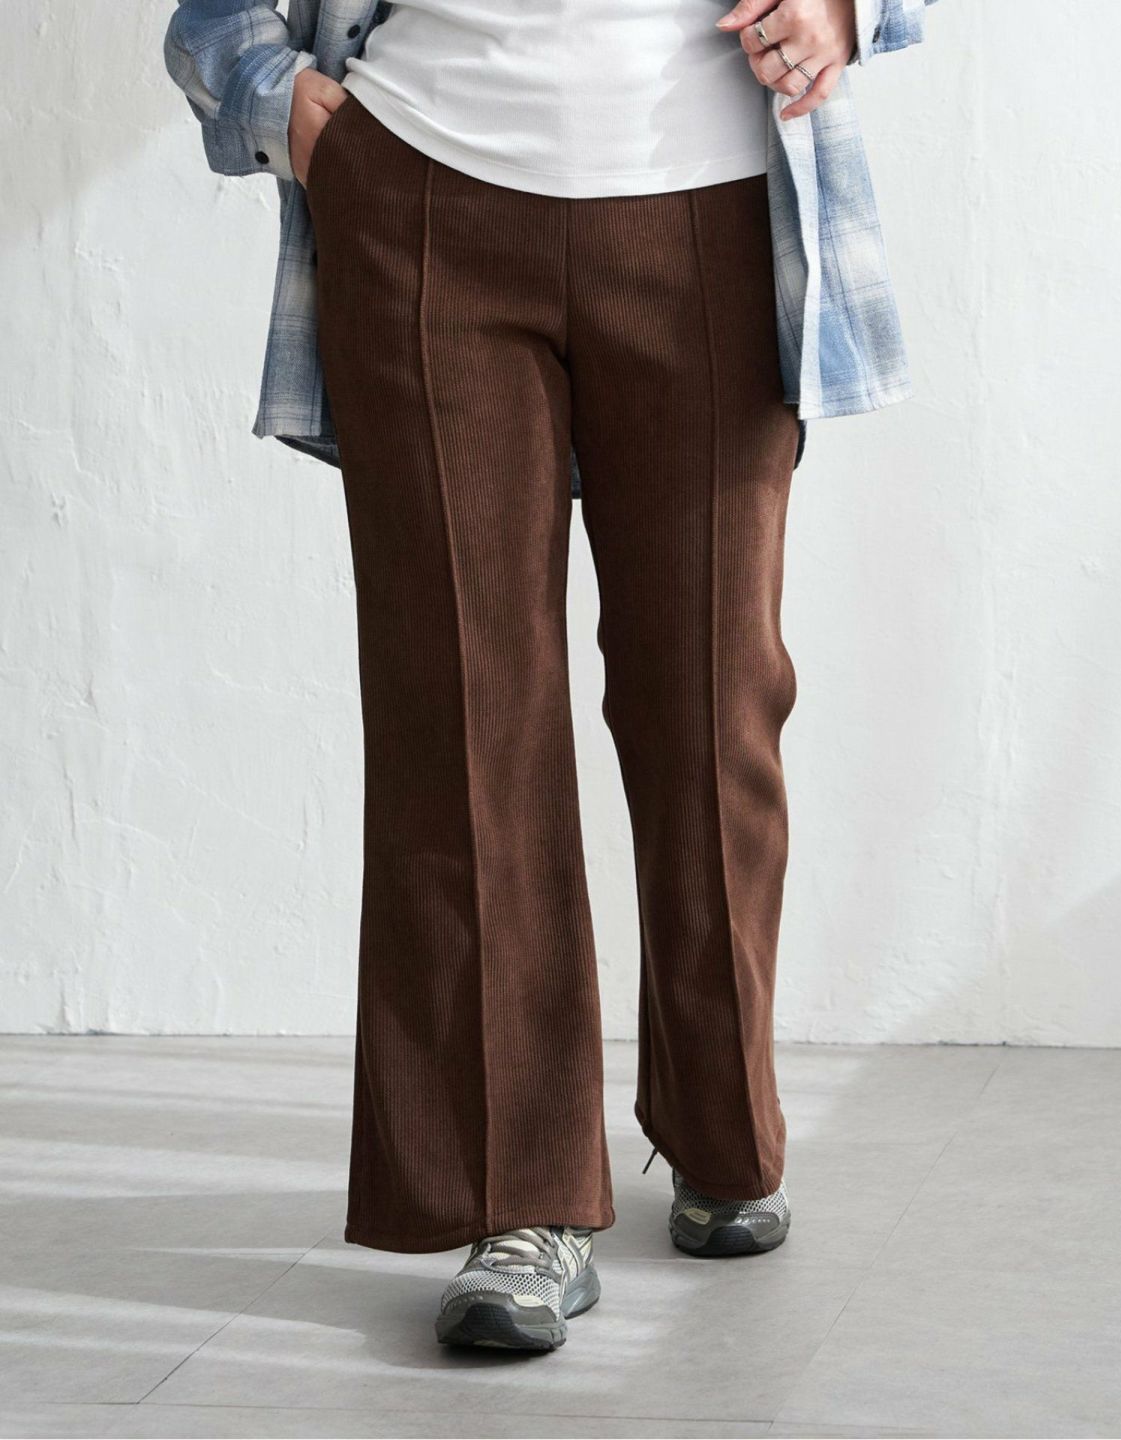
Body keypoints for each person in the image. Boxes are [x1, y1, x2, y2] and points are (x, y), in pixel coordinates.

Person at [163, 0, 936, 1352]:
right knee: (464, 715)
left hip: (709, 201)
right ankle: (515, 1199)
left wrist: (849, 10)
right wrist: (277, 101)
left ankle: (722, 1124)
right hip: (422, 192)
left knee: (711, 700)